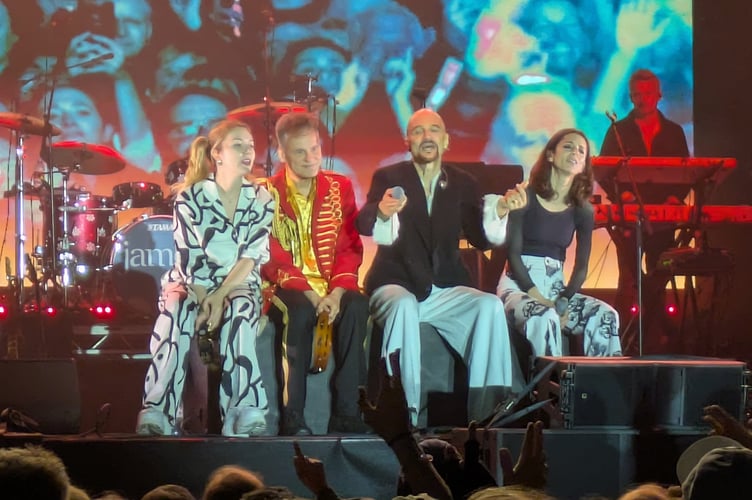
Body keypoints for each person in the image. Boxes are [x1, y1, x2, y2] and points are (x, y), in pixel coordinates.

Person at [356, 107, 523, 427]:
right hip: (395, 283)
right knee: (404, 306)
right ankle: (403, 414)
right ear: (407, 141)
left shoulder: (463, 183)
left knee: (489, 306)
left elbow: (480, 238)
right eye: (418, 131)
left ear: (446, 140)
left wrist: (500, 210)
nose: (427, 136)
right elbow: (364, 221)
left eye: (434, 130)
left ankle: (489, 414)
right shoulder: (389, 177)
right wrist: (382, 211)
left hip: (444, 287)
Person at [135, 119, 275, 437]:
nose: (248, 151)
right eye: (238, 145)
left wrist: (220, 296)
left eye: (251, 145)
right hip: (191, 280)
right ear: (217, 153)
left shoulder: (261, 199)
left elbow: (251, 258)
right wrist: (203, 298)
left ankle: (244, 409)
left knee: (241, 309)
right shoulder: (190, 198)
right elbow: (189, 257)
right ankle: (158, 410)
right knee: (177, 310)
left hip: (238, 282)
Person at [260, 112, 369, 436]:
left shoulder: (340, 186)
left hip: (331, 286)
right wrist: (310, 293)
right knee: (299, 311)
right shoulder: (265, 192)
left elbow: (349, 246)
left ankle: (347, 413)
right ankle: (293, 417)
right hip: (286, 285)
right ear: (282, 154)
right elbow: (271, 253)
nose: (311, 158)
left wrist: (336, 293)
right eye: (300, 152)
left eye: (315, 149)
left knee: (358, 306)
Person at [498, 128, 622, 358]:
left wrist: (563, 300)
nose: (575, 152)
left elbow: (581, 267)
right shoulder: (526, 195)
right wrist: (541, 300)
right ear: (550, 155)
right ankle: (551, 380)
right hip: (518, 287)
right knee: (546, 317)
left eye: (581, 151)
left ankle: (603, 380)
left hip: (557, 291)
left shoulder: (583, 210)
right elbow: (513, 255)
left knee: (606, 315)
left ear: (584, 165)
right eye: (568, 146)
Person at [599, 68, 689, 351]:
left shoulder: (674, 132)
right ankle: (621, 343)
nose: (642, 99)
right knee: (629, 279)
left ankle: (655, 343)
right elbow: (603, 170)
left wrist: (674, 198)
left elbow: (687, 173)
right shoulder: (617, 131)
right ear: (631, 97)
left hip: (664, 219)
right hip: (629, 218)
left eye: (648, 93)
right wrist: (622, 195)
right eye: (637, 94)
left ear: (659, 95)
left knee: (659, 276)